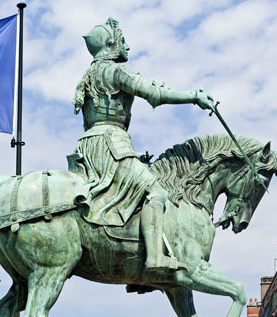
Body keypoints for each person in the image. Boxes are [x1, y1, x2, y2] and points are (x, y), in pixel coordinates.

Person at [73, 17, 216, 277]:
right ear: (111, 43)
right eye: (123, 40)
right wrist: (194, 96)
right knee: (156, 192)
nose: (127, 46)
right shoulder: (115, 71)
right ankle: (154, 256)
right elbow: (154, 93)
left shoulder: (89, 75)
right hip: (112, 145)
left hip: (88, 146)